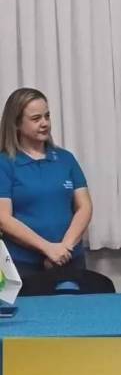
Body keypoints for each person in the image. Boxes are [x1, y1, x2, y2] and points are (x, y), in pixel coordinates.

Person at [0, 88, 93, 283]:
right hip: (22, 265)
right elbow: (3, 218)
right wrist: (47, 249)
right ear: (16, 123)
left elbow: (84, 206)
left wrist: (64, 248)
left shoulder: (66, 159)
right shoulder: (5, 163)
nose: (44, 123)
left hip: (69, 259)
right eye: (36, 118)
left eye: (47, 116)